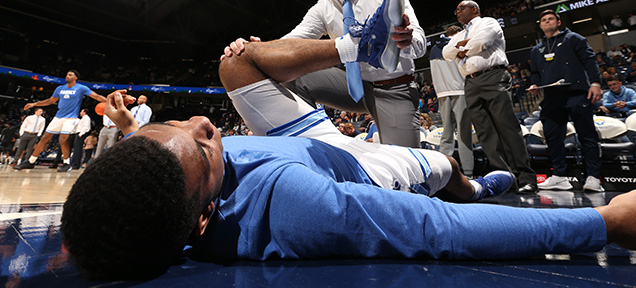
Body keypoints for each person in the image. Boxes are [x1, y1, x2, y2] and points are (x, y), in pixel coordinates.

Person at [62, 36, 636, 281]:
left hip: (298, 137)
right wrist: (603, 223)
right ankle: (481, 185)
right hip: (352, 166)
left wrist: (130, 125)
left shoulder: (163, 175)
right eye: (205, 146)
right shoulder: (294, 206)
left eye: (177, 127)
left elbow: (163, 159)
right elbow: (438, 228)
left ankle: (355, 45)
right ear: (205, 218)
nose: (201, 122)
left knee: (234, 64)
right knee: (444, 175)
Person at [224, 0, 426, 148]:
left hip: (394, 88)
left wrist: (408, 38)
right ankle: (315, 139)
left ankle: (373, 45)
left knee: (406, 166)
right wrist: (258, 50)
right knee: (288, 72)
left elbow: (421, 44)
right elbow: (292, 42)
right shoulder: (323, 7)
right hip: (353, 86)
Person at [442, 0, 537, 193]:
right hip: (470, 82)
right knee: (485, 133)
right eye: (456, 9)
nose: (458, 12)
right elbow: (446, 53)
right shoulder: (460, 33)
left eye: (462, 8)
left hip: (493, 76)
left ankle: (525, 177)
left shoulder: (489, 22)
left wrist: (459, 49)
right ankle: (504, 177)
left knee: (507, 127)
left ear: (474, 9)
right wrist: (462, 46)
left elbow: (481, 43)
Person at [528, 9, 603, 192]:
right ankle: (560, 177)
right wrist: (535, 85)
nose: (547, 22)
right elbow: (536, 74)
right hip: (552, 98)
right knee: (553, 137)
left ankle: (593, 177)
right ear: (540, 25)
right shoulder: (536, 50)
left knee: (587, 135)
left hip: (577, 94)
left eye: (551, 19)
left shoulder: (574, 39)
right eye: (544, 20)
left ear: (558, 22)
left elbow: (590, 60)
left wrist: (595, 83)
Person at [15, 70, 106, 172]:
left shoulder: (81, 88)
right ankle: (31, 162)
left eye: (71, 75)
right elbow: (50, 101)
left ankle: (66, 164)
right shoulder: (60, 88)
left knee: (62, 140)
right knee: (44, 138)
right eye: (67, 74)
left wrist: (109, 101)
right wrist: (35, 104)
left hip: (71, 118)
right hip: (58, 117)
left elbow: (97, 96)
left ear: (76, 78)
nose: (67, 76)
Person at [429, 25, 474, 178]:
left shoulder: (434, 49)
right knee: (463, 134)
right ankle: (468, 172)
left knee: (446, 134)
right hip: (460, 90)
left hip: (442, 93)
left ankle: (444, 173)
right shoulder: (458, 46)